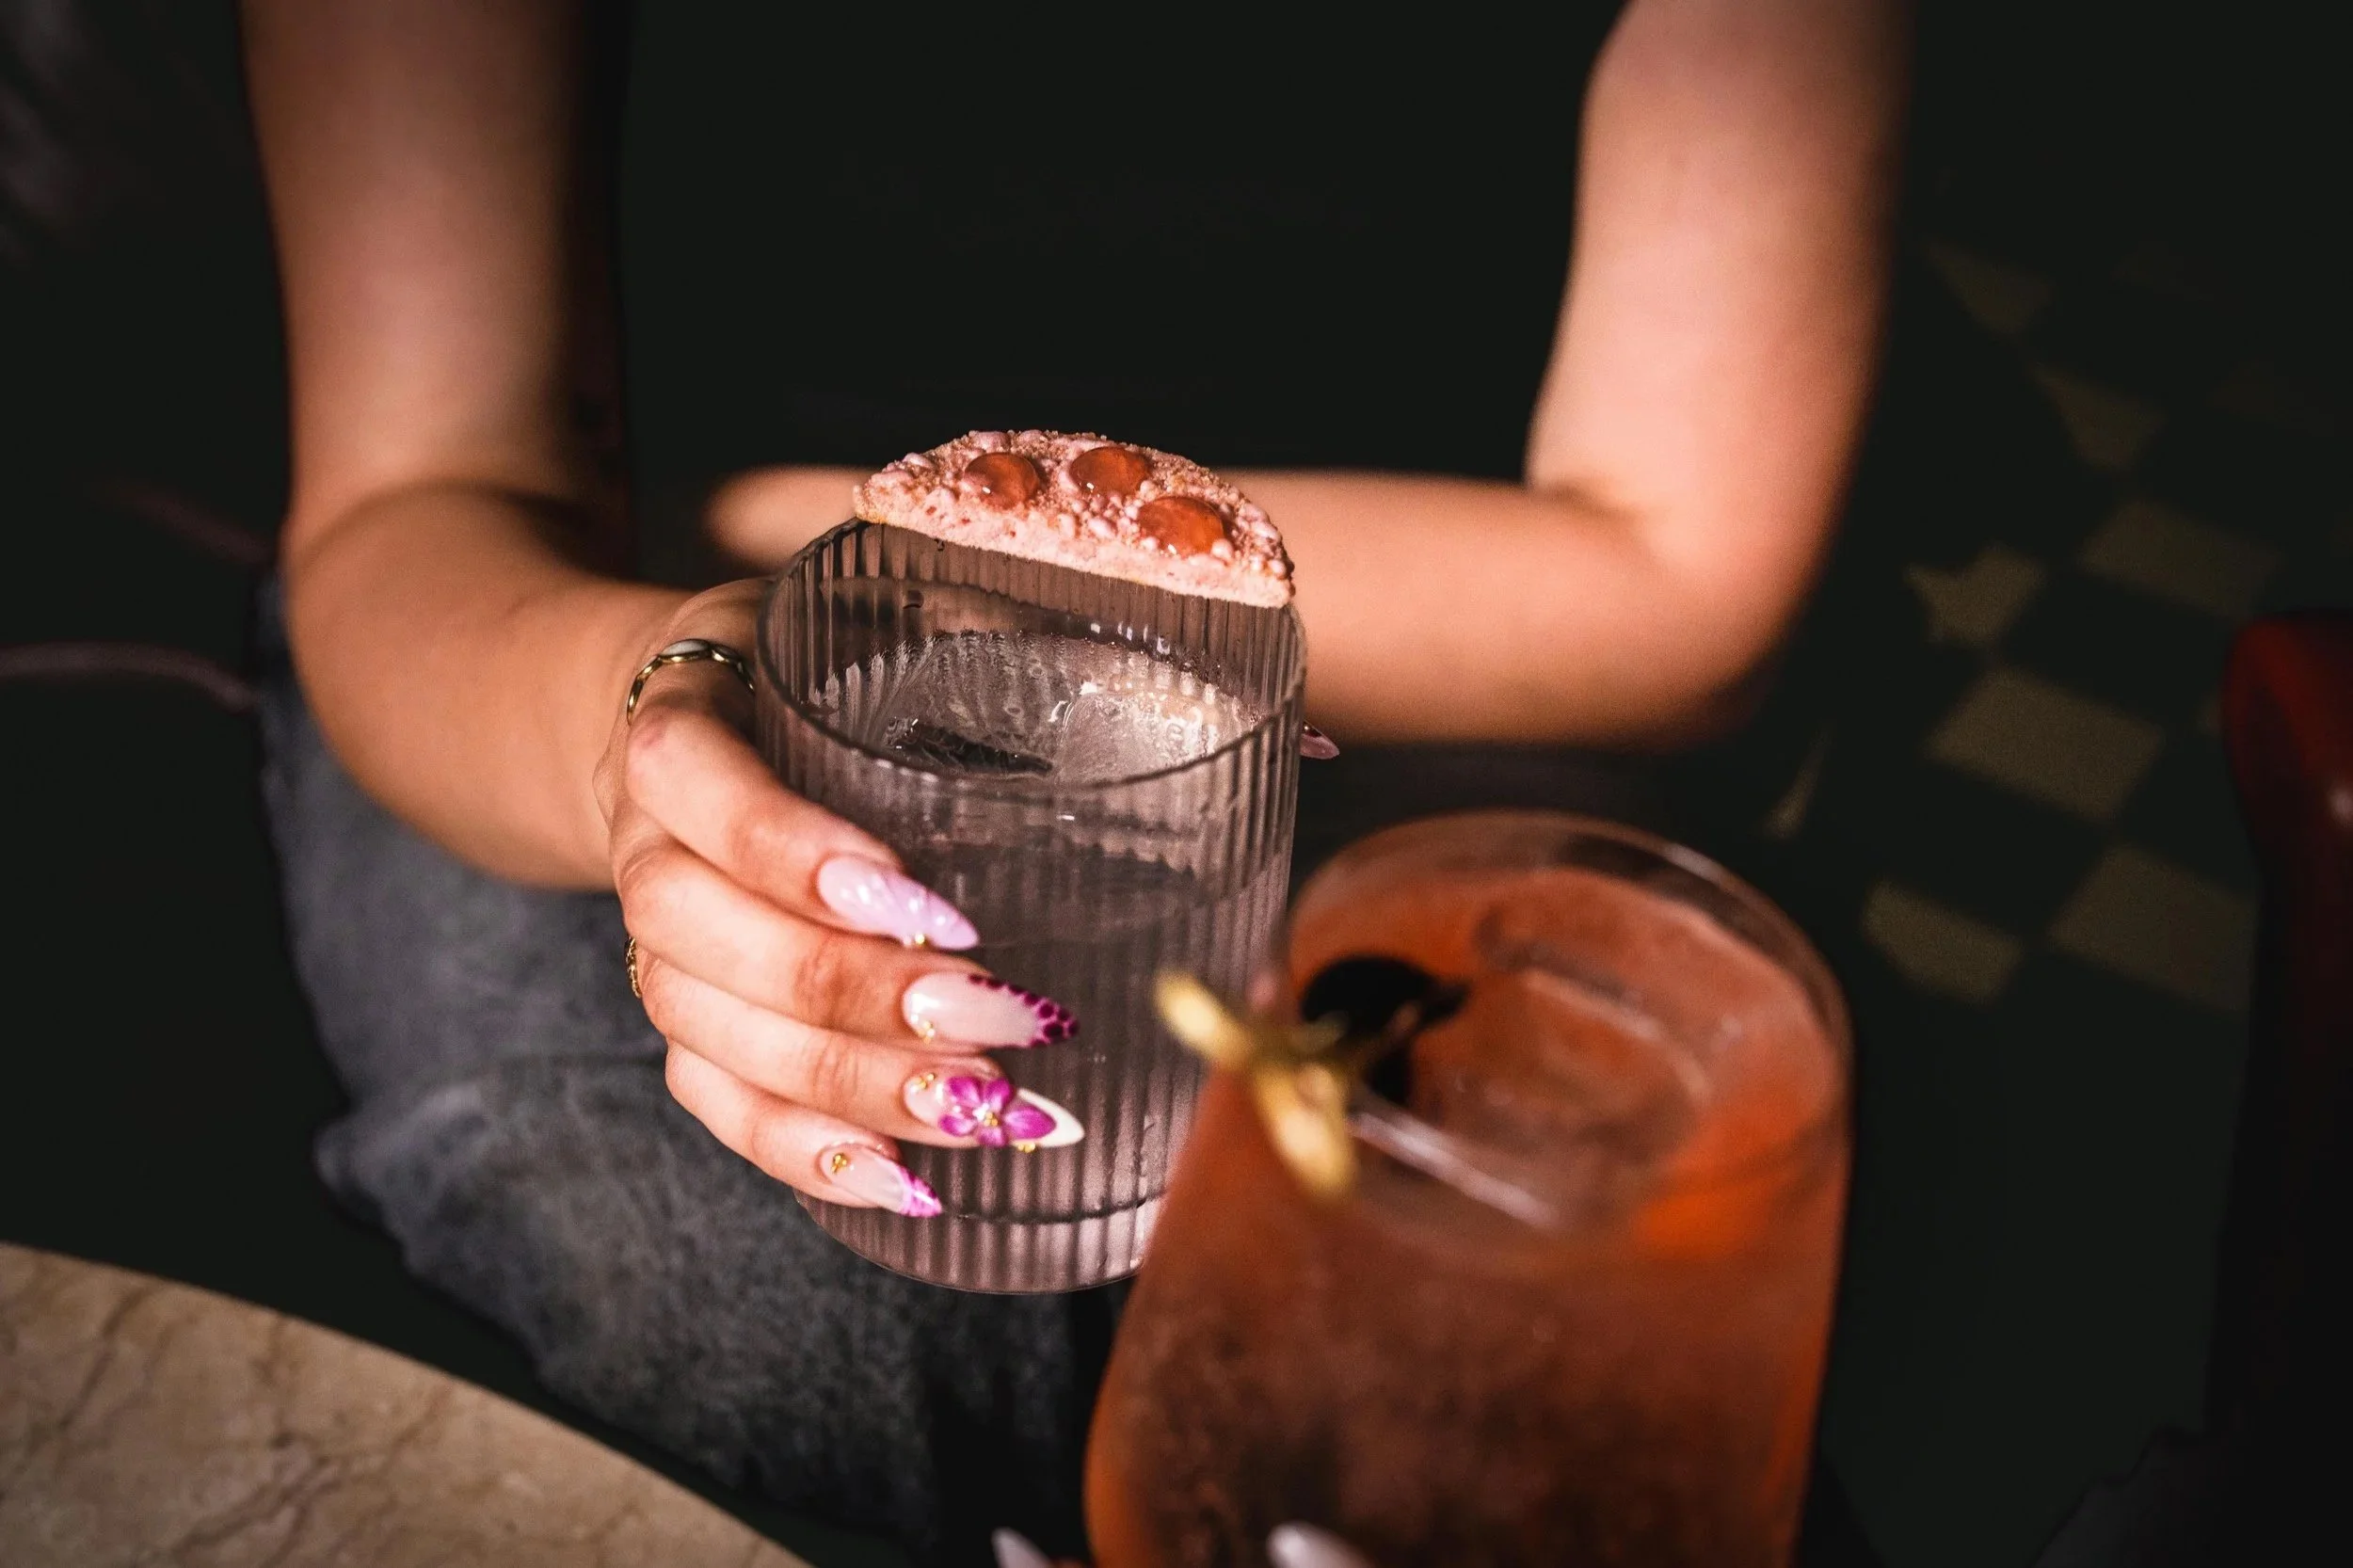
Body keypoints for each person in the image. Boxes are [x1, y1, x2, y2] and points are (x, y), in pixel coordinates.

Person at [240, 0, 1913, 1560]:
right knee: (757, 1311)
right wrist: (663, 721)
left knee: (1441, 1358)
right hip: (557, 638)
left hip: (1416, 652)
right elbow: (419, 488)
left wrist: (820, 540)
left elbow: (1678, 588)